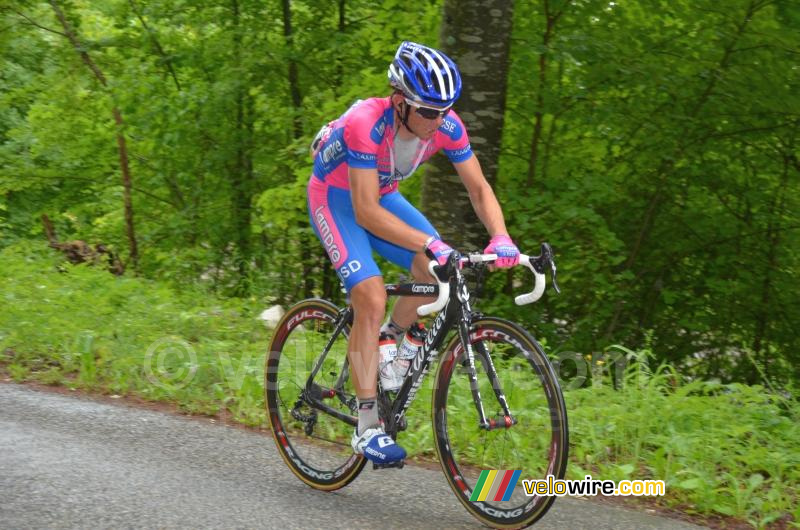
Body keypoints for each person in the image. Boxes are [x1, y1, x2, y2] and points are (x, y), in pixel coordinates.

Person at [307, 41, 520, 465]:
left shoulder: (445, 124)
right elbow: (365, 212)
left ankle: (392, 341)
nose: (437, 120)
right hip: (336, 200)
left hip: (381, 195)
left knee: (438, 271)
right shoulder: (366, 122)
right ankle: (367, 427)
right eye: (428, 111)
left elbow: (479, 189)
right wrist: (428, 241)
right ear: (400, 101)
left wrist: (501, 237)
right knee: (370, 295)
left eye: (444, 110)